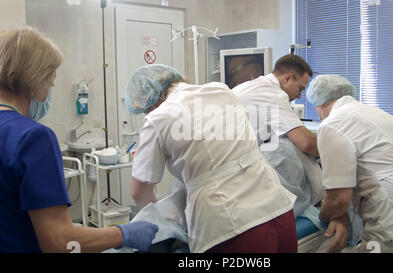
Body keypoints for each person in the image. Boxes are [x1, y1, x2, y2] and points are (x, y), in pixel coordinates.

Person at [0, 27, 158, 253]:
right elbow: (59, 243)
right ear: (36, 80)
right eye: (51, 83)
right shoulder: (32, 138)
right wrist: (122, 234)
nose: (48, 93)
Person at [125, 64, 298, 253]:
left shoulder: (158, 117)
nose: (147, 114)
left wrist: (162, 223)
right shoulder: (221, 90)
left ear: (152, 102)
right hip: (278, 208)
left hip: (232, 226)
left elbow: (139, 192)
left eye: (145, 110)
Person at [306, 74, 393, 252]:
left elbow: (338, 200)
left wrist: (325, 215)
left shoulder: (331, 125)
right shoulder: (374, 112)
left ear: (319, 105)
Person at [232, 54, 318, 157]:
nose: (299, 96)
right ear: (287, 78)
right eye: (300, 89)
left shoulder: (252, 85)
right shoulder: (274, 95)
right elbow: (307, 143)